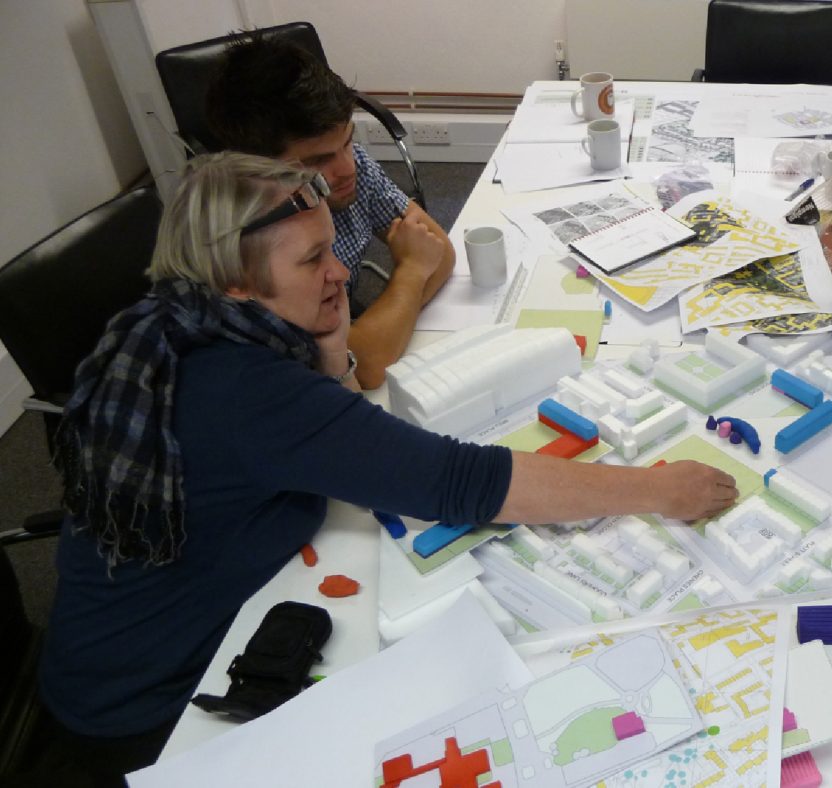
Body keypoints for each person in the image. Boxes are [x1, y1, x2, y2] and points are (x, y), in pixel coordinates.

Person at [29, 153, 737, 786]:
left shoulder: (175, 323)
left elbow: (328, 407)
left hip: (118, 659)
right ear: (239, 284)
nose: (341, 270)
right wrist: (657, 488)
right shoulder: (247, 391)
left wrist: (330, 343)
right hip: (150, 716)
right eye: (313, 260)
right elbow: (462, 483)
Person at [205, 32, 453, 390]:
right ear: (258, 168)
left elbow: (438, 249)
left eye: (348, 142)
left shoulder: (348, 166)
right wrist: (412, 272)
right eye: (318, 160)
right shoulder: (259, 236)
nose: (348, 168)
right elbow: (365, 365)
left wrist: (385, 324)